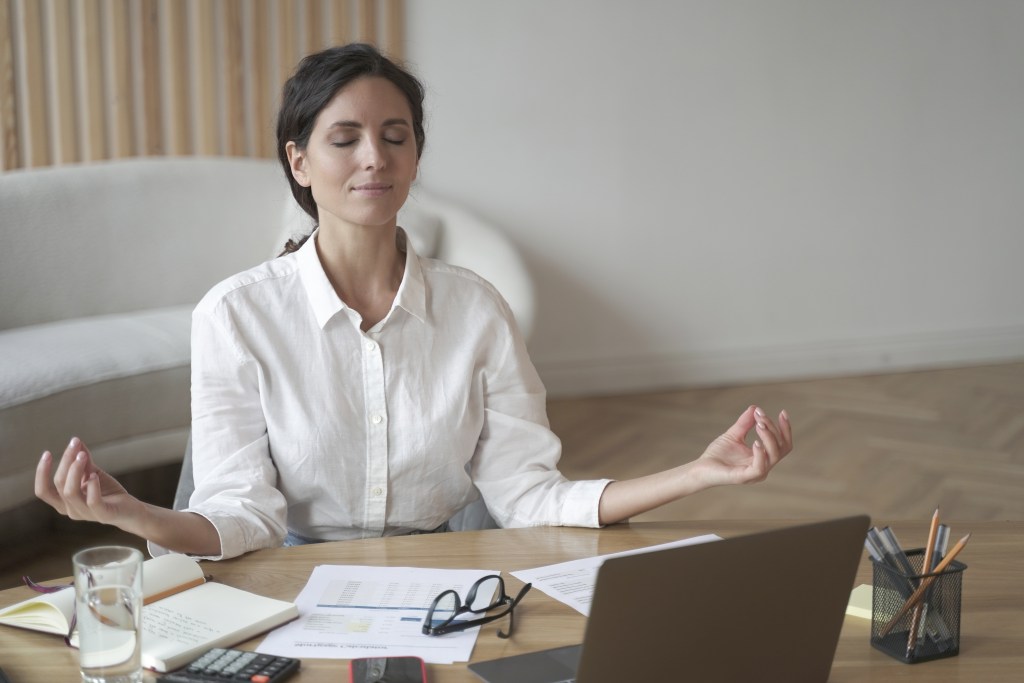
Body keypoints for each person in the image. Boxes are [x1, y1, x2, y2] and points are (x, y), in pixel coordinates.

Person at [34, 44, 792, 561]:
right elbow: (245, 517)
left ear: (416, 157)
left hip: (447, 580)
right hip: (289, 581)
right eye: (345, 137)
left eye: (395, 136)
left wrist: (699, 473)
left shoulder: (478, 312)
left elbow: (530, 495)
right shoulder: (235, 317)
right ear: (298, 162)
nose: (375, 156)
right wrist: (128, 513)